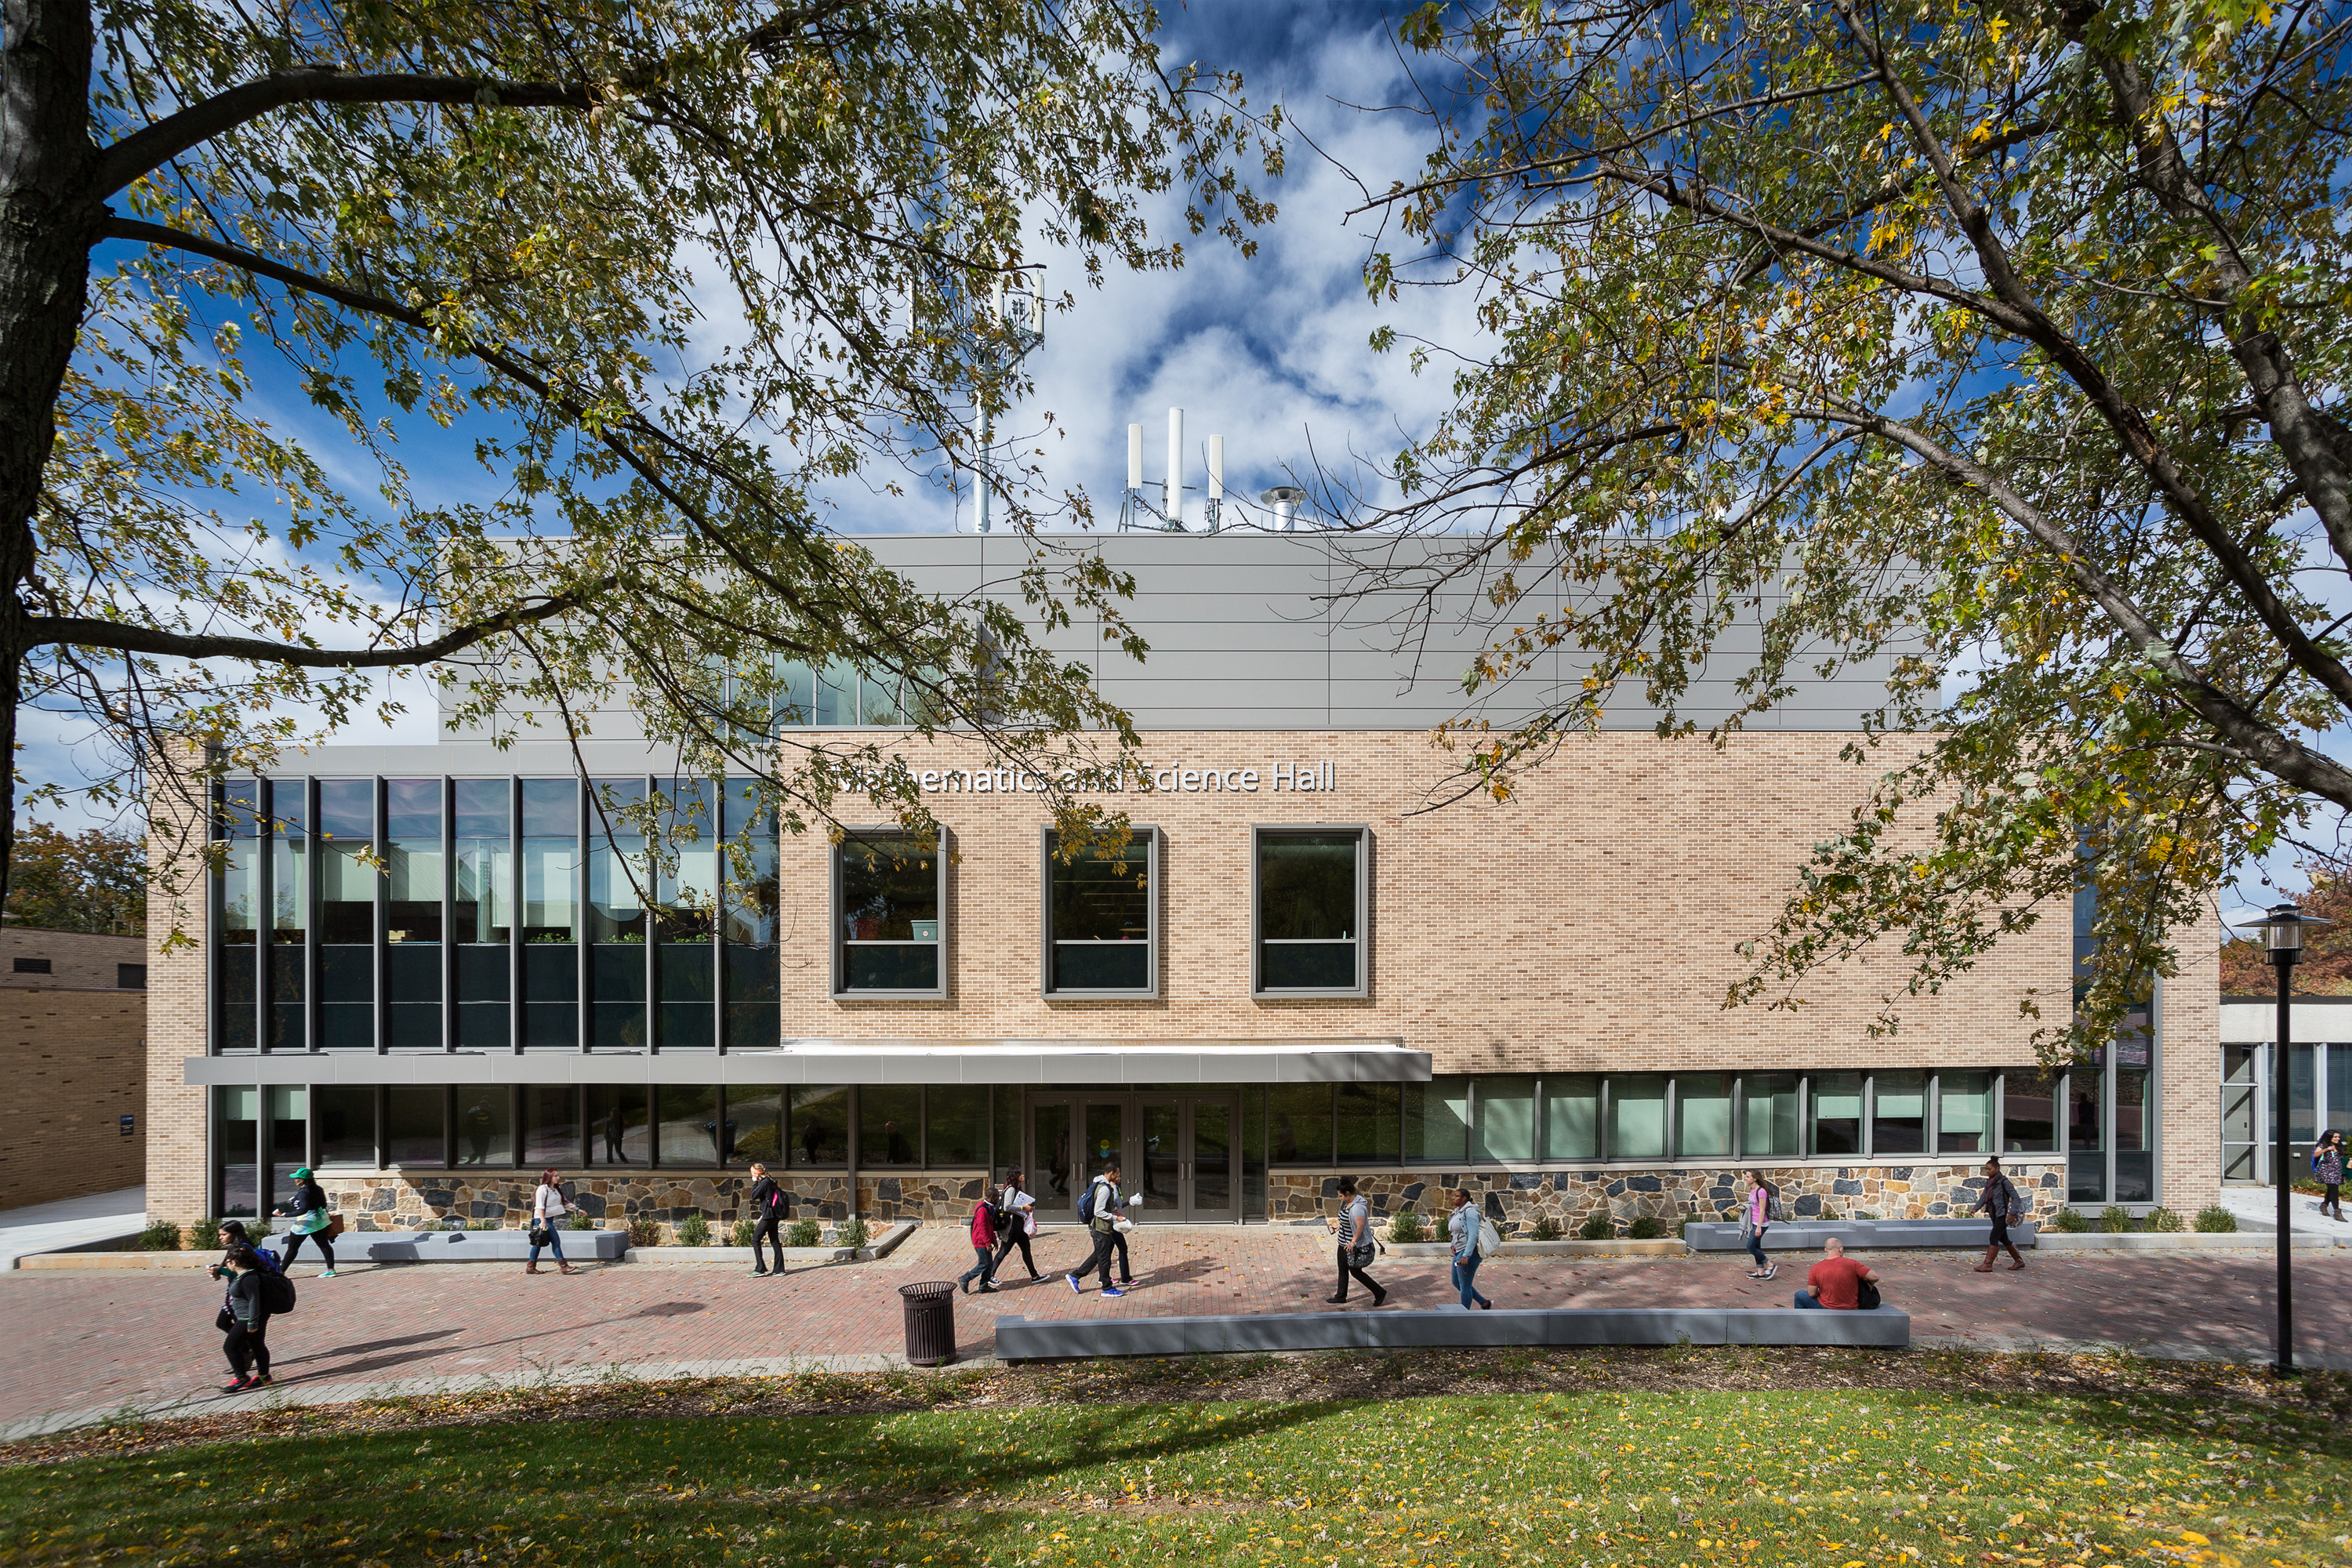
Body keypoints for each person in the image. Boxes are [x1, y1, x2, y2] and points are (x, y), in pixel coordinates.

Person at [1065, 1158, 1127, 1298]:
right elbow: (1098, 1211)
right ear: (1111, 1173)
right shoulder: (1105, 1189)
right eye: (1118, 1175)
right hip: (1100, 1228)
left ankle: (1075, 1276)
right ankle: (1107, 1288)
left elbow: (1101, 1208)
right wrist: (1115, 1218)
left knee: (1098, 1256)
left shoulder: (1099, 1184)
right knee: (1104, 1259)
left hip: (1100, 1227)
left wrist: (1112, 1212)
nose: (1119, 1178)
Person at [221, 1245, 275, 1391]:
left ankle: (241, 1378)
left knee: (230, 1347)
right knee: (257, 1346)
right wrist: (218, 1270)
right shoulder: (245, 1275)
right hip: (253, 1317)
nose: (225, 1264)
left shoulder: (248, 1279)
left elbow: (254, 1299)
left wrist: (252, 1322)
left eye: (227, 1261)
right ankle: (264, 1376)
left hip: (247, 1319)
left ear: (234, 1263)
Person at [1327, 1175, 1388, 1306]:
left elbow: (1360, 1226)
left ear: (1347, 1193)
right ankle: (1340, 1296)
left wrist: (1353, 1242)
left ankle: (1379, 1292)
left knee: (1356, 1272)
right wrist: (1339, 1227)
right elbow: (1350, 1222)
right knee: (1342, 1270)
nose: (1341, 1198)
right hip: (1343, 1243)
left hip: (1352, 1246)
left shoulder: (1357, 1207)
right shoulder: (1350, 1203)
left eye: (1341, 1196)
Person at [272, 1167, 336, 1277]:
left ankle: (281, 1272)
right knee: (324, 1245)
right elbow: (323, 1205)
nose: (295, 1180)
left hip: (306, 1222)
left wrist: (284, 1215)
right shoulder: (318, 1188)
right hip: (319, 1220)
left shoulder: (304, 1192)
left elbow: (303, 1210)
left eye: (296, 1178)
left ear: (301, 1180)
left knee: (292, 1248)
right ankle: (331, 1270)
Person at [1970, 1156, 2028, 1272]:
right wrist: (1976, 1208)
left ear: (1997, 1168)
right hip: (1994, 1214)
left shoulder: (2004, 1182)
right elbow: (1984, 1196)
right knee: (2004, 1238)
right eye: (1986, 1169)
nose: (1987, 1171)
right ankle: (2019, 1261)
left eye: (1989, 1169)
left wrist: (2012, 1213)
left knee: (1993, 1237)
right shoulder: (1989, 1182)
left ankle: (1987, 1264)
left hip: (2003, 1215)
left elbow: (2016, 1198)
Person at [1794, 1236, 1879, 1309]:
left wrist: (1823, 1294)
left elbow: (1812, 1293)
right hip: (1851, 1307)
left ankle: (1802, 1327)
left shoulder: (1816, 1268)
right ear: (1841, 1250)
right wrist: (1870, 1284)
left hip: (1827, 1307)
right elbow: (1875, 1277)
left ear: (1825, 1250)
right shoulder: (1853, 1264)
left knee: (1799, 1295)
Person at [990, 1167, 1042, 1283]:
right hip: (1012, 1227)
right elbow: (1007, 1207)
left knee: (1026, 1249)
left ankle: (1034, 1276)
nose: (1023, 1175)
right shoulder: (1011, 1190)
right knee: (1004, 1250)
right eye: (1020, 1174)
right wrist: (1024, 1208)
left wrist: (1026, 1209)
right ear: (1015, 1177)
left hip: (1019, 1226)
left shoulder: (1017, 1188)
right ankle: (990, 1275)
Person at [526, 1168, 580, 1276]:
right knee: (555, 1241)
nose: (558, 1178)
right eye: (555, 1176)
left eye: (558, 1176)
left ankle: (531, 1267)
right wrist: (543, 1221)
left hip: (549, 1219)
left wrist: (578, 1210)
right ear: (549, 1177)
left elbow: (565, 1202)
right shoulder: (542, 1189)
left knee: (538, 1243)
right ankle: (564, 1266)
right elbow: (539, 1206)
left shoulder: (556, 1189)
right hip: (541, 1219)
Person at [1448, 1189, 1494, 1310]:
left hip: (1468, 1252)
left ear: (1464, 1198)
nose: (1453, 1198)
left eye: (1456, 1196)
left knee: (1464, 1285)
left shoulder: (1471, 1213)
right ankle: (1484, 1303)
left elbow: (1473, 1235)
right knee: (1456, 1282)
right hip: (1459, 1250)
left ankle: (1465, 1315)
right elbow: (1456, 1231)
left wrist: (1466, 1256)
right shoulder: (1458, 1212)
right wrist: (1453, 1244)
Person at [746, 1162, 789, 1277]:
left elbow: (753, 1195)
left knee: (755, 1239)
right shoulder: (770, 1181)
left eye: (752, 1174)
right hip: (773, 1215)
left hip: (769, 1216)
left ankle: (760, 1268)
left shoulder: (765, 1183)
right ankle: (779, 1269)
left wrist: (755, 1182)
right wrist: (763, 1214)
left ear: (756, 1173)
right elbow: (769, 1200)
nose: (751, 1176)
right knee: (774, 1240)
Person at [957, 1191, 1002, 1294]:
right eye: (997, 1197)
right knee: (984, 1264)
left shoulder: (989, 1208)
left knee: (989, 1264)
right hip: (980, 1241)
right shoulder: (983, 1210)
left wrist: (994, 1240)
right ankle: (965, 1278)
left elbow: (990, 1226)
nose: (998, 1199)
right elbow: (982, 1228)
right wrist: (987, 1243)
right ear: (991, 1197)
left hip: (984, 1240)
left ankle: (984, 1286)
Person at [1740, 1170, 1777, 1282]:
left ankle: (1770, 1265)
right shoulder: (1752, 1189)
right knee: (1756, 1247)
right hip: (1754, 1222)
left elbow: (1762, 1210)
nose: (1746, 1179)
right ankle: (1760, 1272)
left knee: (1750, 1247)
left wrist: (1759, 1227)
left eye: (1748, 1177)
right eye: (1746, 1176)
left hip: (1761, 1224)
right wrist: (1745, 1207)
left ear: (1755, 1178)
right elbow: (1754, 1206)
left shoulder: (1761, 1192)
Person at [2314, 1131, 2347, 1223]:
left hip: (2336, 1171)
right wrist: (2326, 1150)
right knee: (2334, 1190)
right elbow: (2315, 1154)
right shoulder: (2322, 1145)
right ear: (2329, 1137)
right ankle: (2337, 1212)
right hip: (2326, 1171)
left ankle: (2324, 1205)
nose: (2338, 1139)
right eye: (2335, 1137)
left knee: (2332, 1189)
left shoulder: (2338, 1146)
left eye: (2339, 1137)